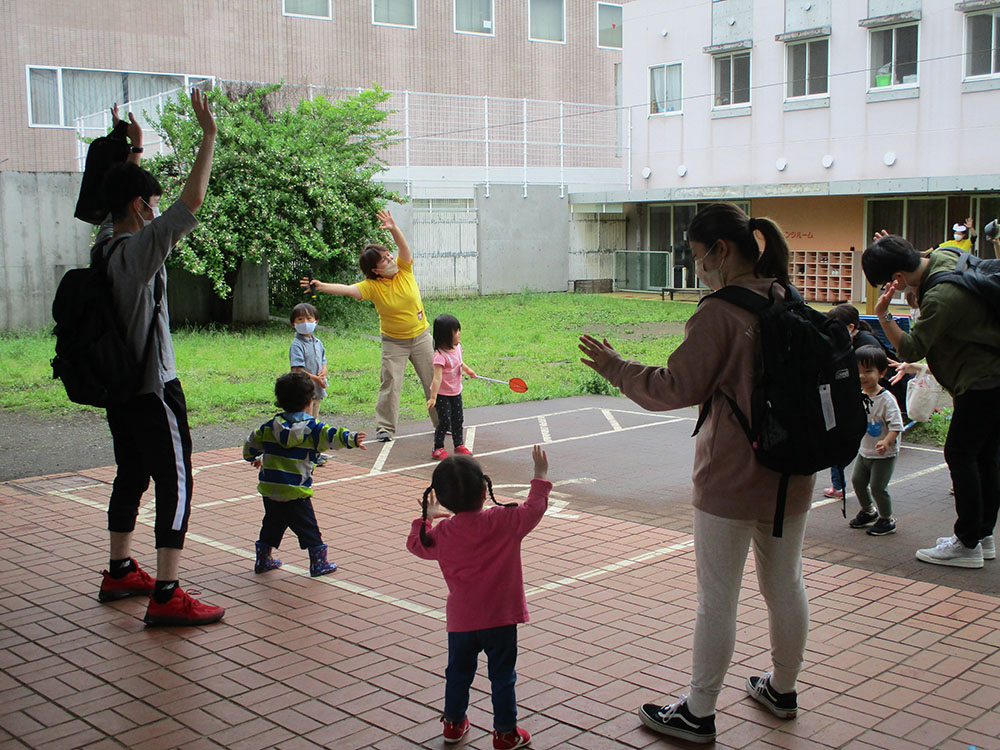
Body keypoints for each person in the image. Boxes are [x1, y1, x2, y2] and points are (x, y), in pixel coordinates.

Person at [579, 203, 812, 744]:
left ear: (721, 251)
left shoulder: (720, 313)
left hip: (732, 478)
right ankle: (782, 689)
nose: (696, 266)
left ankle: (699, 712)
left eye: (695, 255)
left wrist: (617, 367)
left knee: (718, 598)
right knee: (785, 584)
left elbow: (674, 388)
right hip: (792, 476)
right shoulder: (787, 296)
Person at [93, 91, 226, 626]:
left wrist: (135, 152)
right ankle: (167, 593)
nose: (155, 207)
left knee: (130, 470)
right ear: (137, 206)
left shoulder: (102, 245)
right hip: (154, 386)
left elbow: (119, 192)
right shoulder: (138, 252)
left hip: (117, 388)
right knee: (177, 480)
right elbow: (191, 201)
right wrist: (208, 137)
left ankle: (120, 568)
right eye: (149, 200)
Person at [863, 233, 1000, 568]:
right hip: (993, 375)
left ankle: (966, 545)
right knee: (984, 456)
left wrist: (884, 316)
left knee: (960, 453)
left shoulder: (940, 298)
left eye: (887, 284)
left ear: (897, 277)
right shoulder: (944, 255)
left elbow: (911, 348)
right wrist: (890, 246)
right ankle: (982, 536)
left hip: (982, 380)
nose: (889, 290)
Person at [406, 446, 551, 750]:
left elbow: (418, 546)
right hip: (501, 617)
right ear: (485, 490)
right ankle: (505, 732)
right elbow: (534, 508)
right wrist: (539, 477)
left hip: (461, 622)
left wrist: (426, 519)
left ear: (442, 499)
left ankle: (453, 724)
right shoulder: (504, 521)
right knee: (502, 676)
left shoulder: (443, 532)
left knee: (458, 674)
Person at [301, 210, 436, 442]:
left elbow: (403, 248)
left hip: (422, 337)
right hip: (394, 341)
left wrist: (393, 228)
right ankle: (385, 428)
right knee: (390, 383)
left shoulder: (404, 270)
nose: (390, 259)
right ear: (375, 270)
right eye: (384, 260)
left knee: (434, 380)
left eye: (388, 255)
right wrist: (320, 286)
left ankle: (443, 423)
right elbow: (348, 289)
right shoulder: (371, 287)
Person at [244, 372, 365, 577]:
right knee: (308, 527)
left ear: (279, 401)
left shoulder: (268, 427)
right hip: (296, 490)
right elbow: (333, 435)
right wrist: (352, 439)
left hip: (271, 489)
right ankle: (318, 563)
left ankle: (263, 559)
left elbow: (250, 444)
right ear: (310, 401)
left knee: (272, 523)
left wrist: (253, 457)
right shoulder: (313, 429)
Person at [848, 345, 903, 536]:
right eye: (858, 371)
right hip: (865, 450)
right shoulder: (858, 395)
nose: (862, 376)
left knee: (878, 487)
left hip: (884, 454)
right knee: (857, 481)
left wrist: (887, 442)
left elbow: (896, 426)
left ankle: (887, 519)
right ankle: (868, 511)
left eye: (868, 371)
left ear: (882, 373)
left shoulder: (887, 400)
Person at [427, 314, 478, 460]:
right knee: (444, 421)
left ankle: (459, 445)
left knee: (458, 419)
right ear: (444, 336)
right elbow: (437, 378)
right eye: (456, 332)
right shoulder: (439, 356)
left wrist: (468, 370)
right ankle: (437, 448)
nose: (459, 334)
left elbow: (459, 363)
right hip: (442, 394)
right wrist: (433, 397)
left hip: (456, 391)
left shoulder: (457, 348)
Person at [289, 302, 329, 464]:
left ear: (316, 321)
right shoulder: (297, 344)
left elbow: (323, 360)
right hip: (303, 389)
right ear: (293, 324)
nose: (305, 322)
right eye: (300, 319)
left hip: (317, 389)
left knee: (314, 420)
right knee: (303, 421)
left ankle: (312, 453)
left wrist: (324, 371)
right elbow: (297, 369)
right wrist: (315, 378)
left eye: (308, 318)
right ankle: (302, 453)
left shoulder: (318, 342)